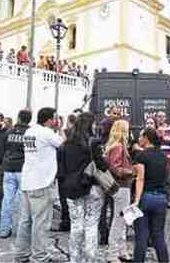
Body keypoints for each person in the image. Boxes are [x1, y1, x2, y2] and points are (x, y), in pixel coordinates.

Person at [14, 107, 67, 263]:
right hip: (42, 183)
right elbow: (63, 143)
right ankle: (40, 257)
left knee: (25, 221)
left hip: (27, 182)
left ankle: (21, 255)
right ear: (49, 119)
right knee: (41, 223)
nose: (56, 121)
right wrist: (60, 128)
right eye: (55, 118)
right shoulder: (46, 133)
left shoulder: (30, 132)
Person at [58, 112, 107, 263]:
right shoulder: (94, 143)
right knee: (91, 224)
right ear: (90, 125)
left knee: (76, 225)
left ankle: (75, 259)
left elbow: (61, 169)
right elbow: (102, 166)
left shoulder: (65, 145)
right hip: (93, 187)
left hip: (72, 188)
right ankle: (90, 259)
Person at [132, 128, 170, 262]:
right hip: (161, 198)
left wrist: (136, 200)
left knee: (142, 235)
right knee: (158, 235)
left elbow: (140, 179)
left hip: (146, 197)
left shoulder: (141, 156)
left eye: (141, 136)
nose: (139, 139)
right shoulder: (163, 156)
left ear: (146, 138)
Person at [105, 120, 134, 263]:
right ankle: (112, 254)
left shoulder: (115, 146)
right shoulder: (119, 147)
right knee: (119, 220)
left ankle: (121, 251)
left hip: (120, 187)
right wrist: (132, 172)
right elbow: (115, 168)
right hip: (122, 186)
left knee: (122, 219)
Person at [0, 109, 31, 239]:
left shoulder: (9, 132)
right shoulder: (29, 133)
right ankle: (20, 230)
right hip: (22, 169)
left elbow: (4, 148)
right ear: (29, 119)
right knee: (22, 200)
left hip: (8, 168)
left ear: (18, 118)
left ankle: (4, 229)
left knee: (7, 199)